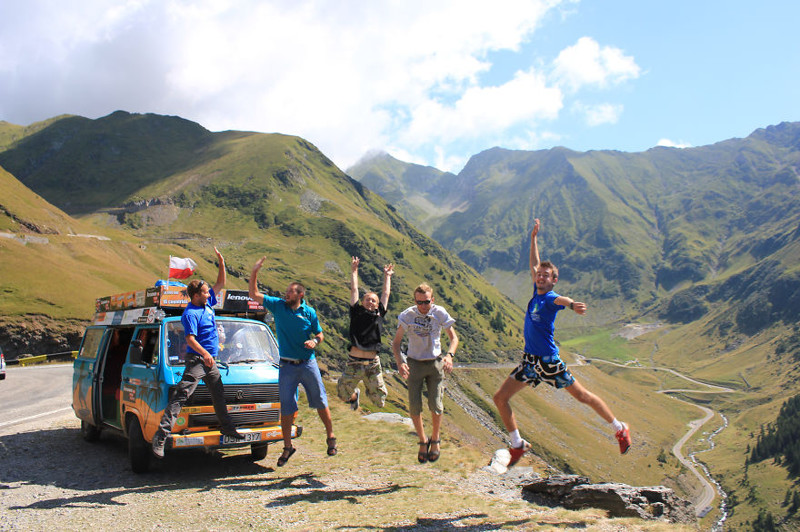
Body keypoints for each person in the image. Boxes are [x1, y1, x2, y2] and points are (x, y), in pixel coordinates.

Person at [493, 219, 632, 467]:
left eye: (546, 276)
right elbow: (534, 263)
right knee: (500, 398)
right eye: (539, 275)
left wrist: (571, 305)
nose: (540, 276)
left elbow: (561, 300)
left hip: (548, 362)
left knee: (582, 397)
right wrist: (534, 238)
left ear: (554, 280)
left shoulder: (549, 298)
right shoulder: (537, 292)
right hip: (530, 362)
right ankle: (517, 444)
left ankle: (620, 428)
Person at [152, 247, 243, 458]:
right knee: (181, 395)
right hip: (197, 360)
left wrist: (221, 262)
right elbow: (189, 339)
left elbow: (221, 283)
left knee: (218, 394)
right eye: (204, 291)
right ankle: (160, 436)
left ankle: (227, 428)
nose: (209, 293)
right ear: (195, 295)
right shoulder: (190, 313)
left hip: (210, 361)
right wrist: (205, 354)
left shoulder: (207, 304)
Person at [249, 256, 336, 467]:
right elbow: (254, 294)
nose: (285, 294)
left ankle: (331, 437)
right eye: (286, 292)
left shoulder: (309, 312)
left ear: (300, 295)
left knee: (320, 401)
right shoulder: (278, 306)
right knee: (286, 407)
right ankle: (287, 447)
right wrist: (255, 272)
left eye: (289, 292)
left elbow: (320, 334)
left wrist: (315, 341)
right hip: (286, 365)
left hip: (307, 364)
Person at [392, 283, 458, 464]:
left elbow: (454, 338)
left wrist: (450, 356)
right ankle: (423, 440)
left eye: (426, 302)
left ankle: (435, 439)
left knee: (436, 404)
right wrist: (400, 362)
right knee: (414, 406)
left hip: (435, 363)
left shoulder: (439, 313)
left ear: (432, 300)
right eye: (419, 302)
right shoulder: (407, 315)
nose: (422, 306)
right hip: (414, 363)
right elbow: (396, 343)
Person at [337, 257, 394, 410]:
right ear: (362, 302)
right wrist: (354, 271)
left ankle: (364, 392)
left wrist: (387, 276)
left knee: (380, 401)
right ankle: (355, 394)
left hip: (372, 364)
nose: (370, 302)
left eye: (373, 301)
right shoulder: (356, 311)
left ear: (377, 304)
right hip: (354, 361)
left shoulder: (379, 313)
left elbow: (386, 294)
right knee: (343, 395)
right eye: (367, 299)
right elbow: (354, 289)